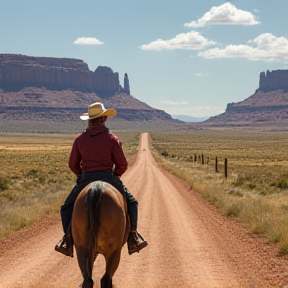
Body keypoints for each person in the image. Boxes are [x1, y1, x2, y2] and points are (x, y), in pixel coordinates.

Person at [55, 102, 148, 257]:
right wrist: (116, 175)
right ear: (104, 119)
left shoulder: (80, 140)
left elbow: (72, 164)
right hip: (109, 178)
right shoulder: (112, 139)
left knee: (66, 207)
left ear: (89, 120)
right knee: (131, 202)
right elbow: (122, 164)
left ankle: (67, 240)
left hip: (85, 179)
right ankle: (133, 236)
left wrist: (81, 174)